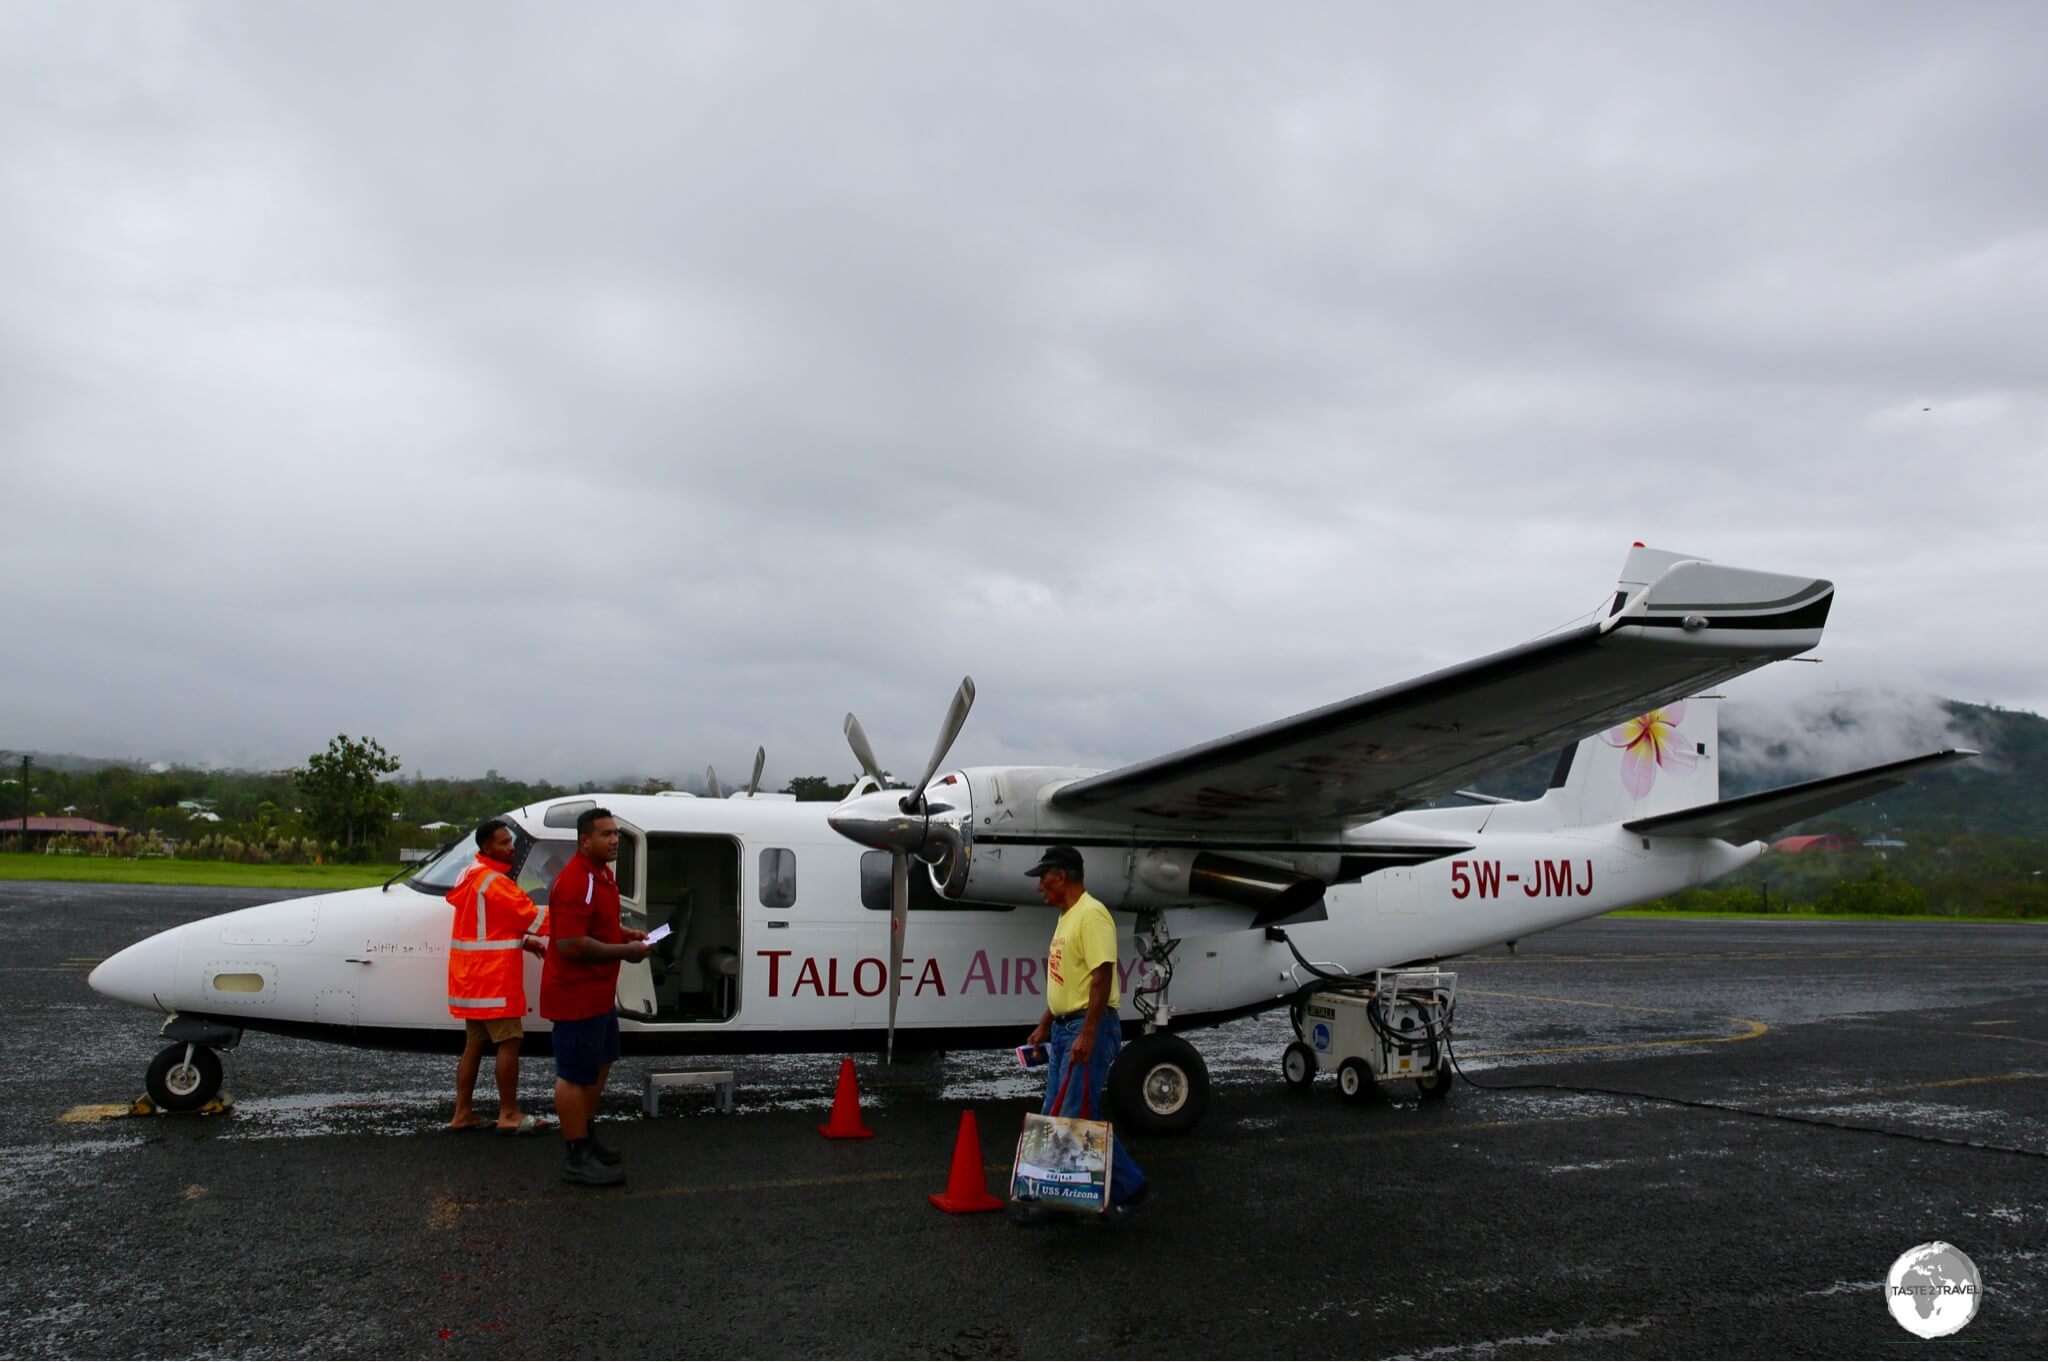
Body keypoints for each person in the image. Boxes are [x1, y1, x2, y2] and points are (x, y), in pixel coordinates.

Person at [1018, 844, 1149, 1221]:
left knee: (1075, 1118)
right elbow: (1067, 979)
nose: (1039, 886)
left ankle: (1120, 1191)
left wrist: (1088, 1033)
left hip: (1086, 1026)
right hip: (1065, 1028)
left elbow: (1101, 975)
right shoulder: (1067, 917)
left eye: (1043, 878)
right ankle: (1060, 1195)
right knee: (1057, 1115)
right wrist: (1047, 1021)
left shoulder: (1092, 915)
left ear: (1061, 876)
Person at [541, 806, 650, 1186]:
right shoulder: (576, 880)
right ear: (584, 840)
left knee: (599, 1064)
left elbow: (598, 923)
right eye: (605, 834)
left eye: (616, 834)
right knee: (573, 1075)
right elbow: (570, 943)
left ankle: (586, 1136)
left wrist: (624, 934)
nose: (614, 840)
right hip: (576, 996)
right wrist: (625, 953)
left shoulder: (601, 876)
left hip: (599, 995)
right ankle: (576, 1155)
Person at [445, 818, 552, 1135]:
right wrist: (580, 920)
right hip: (494, 979)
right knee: (509, 1041)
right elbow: (532, 916)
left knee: (474, 1046)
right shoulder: (495, 882)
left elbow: (485, 925)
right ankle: (509, 1113)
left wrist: (522, 940)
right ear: (486, 847)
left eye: (511, 841)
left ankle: (462, 1113)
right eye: (504, 843)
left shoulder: (470, 875)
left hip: (469, 979)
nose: (511, 847)